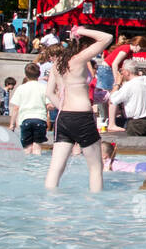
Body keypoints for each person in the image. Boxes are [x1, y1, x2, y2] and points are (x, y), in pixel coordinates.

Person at [45, 25, 114, 192]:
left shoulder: (58, 63)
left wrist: (61, 106)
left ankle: (49, 206)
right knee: (96, 168)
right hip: (81, 116)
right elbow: (107, 37)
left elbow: (49, 92)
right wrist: (81, 31)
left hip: (63, 117)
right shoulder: (80, 59)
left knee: (55, 169)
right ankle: (96, 207)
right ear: (85, 45)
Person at [10, 63, 50, 156]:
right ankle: (37, 168)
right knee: (37, 146)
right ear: (39, 74)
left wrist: (12, 124)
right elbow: (49, 105)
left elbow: (16, 107)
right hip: (40, 119)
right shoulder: (44, 87)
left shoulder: (21, 88)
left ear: (25, 75)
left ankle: (26, 168)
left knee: (27, 148)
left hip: (25, 119)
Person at [110, 58, 146, 136]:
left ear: (128, 72)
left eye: (122, 71)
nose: (121, 73)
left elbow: (112, 100)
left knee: (133, 147)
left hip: (136, 124)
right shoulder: (145, 80)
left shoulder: (129, 85)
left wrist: (117, 83)